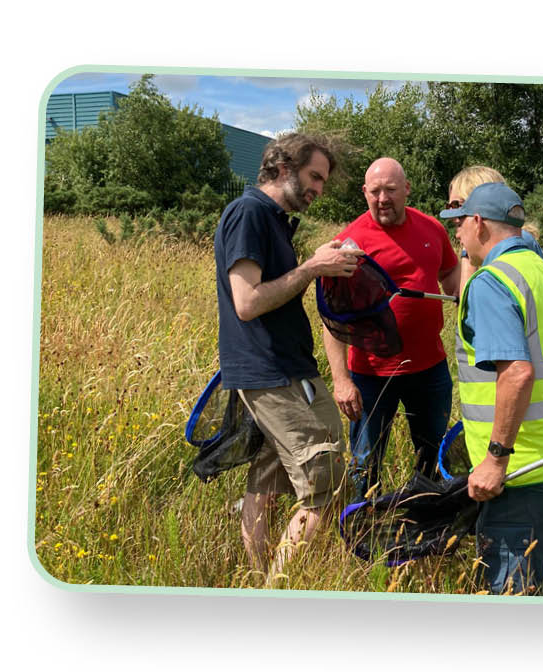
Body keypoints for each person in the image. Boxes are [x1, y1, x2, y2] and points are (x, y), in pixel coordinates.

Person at [214, 132, 364, 579]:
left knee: (266, 486)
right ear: (282, 168)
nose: (318, 188)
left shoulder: (273, 219)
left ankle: (260, 582)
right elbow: (247, 301)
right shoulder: (249, 213)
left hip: (279, 368)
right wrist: (312, 267)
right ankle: (277, 590)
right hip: (272, 372)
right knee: (324, 484)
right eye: (313, 176)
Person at [441, 182, 543, 595]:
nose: (457, 236)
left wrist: (495, 459)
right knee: (541, 580)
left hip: (521, 470)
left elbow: (518, 373)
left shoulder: (491, 282)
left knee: (515, 593)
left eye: (460, 225)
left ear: (478, 223)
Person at [322, 157, 460, 501]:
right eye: (375, 191)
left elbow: (452, 277)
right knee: (365, 463)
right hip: (370, 374)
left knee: (432, 456)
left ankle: (425, 520)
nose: (383, 198)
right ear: (364, 193)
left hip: (430, 369)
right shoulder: (348, 244)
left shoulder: (432, 229)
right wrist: (341, 381)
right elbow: (333, 321)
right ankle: (361, 529)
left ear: (407, 190)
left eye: (391, 190)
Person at [447, 166, 543, 410]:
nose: (454, 220)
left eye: (457, 207)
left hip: (517, 436)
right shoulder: (532, 257)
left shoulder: (500, 267)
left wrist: (499, 446)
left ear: (478, 215)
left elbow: (467, 302)